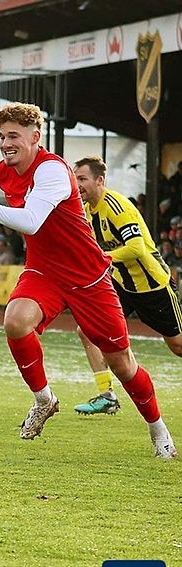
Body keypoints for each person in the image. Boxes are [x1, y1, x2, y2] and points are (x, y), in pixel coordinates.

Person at [0, 102, 176, 458]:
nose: (5, 143)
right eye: (2, 136)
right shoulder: (4, 171)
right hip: (44, 269)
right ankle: (44, 399)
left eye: (14, 136)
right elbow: (27, 223)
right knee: (16, 322)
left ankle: (160, 432)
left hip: (87, 276)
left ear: (36, 137)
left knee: (122, 364)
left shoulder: (51, 170)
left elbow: (31, 220)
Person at [68, 156, 182, 416]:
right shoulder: (87, 210)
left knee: (177, 346)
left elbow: (137, 247)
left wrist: (103, 258)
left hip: (153, 287)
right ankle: (106, 394)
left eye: (82, 179)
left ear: (100, 180)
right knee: (87, 330)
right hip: (122, 284)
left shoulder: (118, 207)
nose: (78, 185)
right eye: (75, 179)